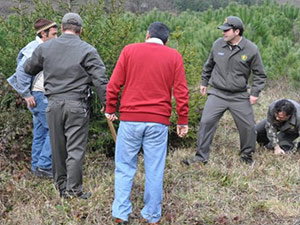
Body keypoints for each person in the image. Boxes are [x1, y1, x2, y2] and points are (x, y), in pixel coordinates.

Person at [105, 22, 189, 225]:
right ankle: (151, 216)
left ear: (147, 34)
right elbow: (181, 91)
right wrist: (182, 119)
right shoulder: (174, 56)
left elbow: (114, 83)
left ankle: (121, 214)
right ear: (166, 40)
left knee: (124, 166)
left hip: (130, 120)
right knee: (154, 169)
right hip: (158, 122)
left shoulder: (129, 51)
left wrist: (110, 109)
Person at [24, 13, 108, 199]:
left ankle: (61, 188)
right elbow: (100, 80)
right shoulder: (88, 50)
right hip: (77, 105)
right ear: (81, 30)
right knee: (75, 149)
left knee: (58, 147)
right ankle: (74, 191)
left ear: (61, 29)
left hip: (52, 104)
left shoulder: (46, 47)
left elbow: (28, 68)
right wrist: (107, 104)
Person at [183, 16, 267, 165]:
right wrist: (204, 81)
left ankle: (246, 157)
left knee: (248, 127)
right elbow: (208, 65)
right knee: (206, 122)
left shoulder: (251, 49)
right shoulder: (217, 45)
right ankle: (201, 158)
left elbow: (260, 74)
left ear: (237, 31)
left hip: (239, 95)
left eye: (226, 30)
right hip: (217, 93)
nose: (223, 33)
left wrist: (255, 93)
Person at [7, 18, 58, 178]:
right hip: (39, 94)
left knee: (41, 132)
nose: (57, 37)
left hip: (38, 94)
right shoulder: (34, 48)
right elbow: (21, 71)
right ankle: (44, 166)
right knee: (55, 129)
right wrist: (26, 94)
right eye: (54, 34)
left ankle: (36, 168)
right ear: (43, 33)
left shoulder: (40, 47)